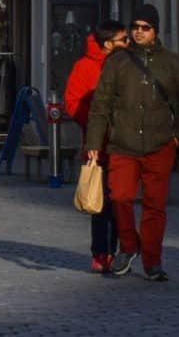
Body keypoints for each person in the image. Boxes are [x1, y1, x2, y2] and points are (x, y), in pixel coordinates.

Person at [83, 5, 179, 281]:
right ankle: (129, 246)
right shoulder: (117, 62)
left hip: (160, 144)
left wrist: (178, 137)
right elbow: (101, 104)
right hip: (123, 143)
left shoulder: (172, 62)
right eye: (135, 26)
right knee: (119, 197)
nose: (139, 31)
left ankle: (153, 261)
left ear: (155, 30)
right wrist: (94, 142)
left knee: (154, 206)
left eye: (145, 27)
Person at [64, 22, 128, 274]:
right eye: (122, 39)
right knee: (100, 204)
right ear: (108, 43)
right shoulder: (84, 67)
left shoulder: (126, 63)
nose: (128, 42)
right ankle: (101, 253)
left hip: (125, 144)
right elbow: (73, 102)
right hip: (98, 146)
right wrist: (95, 123)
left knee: (120, 201)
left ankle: (122, 251)